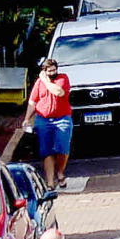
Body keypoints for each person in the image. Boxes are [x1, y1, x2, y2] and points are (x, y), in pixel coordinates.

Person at [25, 56, 75, 190]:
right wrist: (27, 118)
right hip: (43, 120)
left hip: (62, 119)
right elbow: (32, 101)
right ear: (44, 71)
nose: (53, 73)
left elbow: (58, 91)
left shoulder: (62, 78)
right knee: (46, 152)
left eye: (54, 70)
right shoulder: (39, 83)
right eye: (49, 71)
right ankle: (50, 183)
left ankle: (60, 172)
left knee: (62, 148)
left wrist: (45, 80)